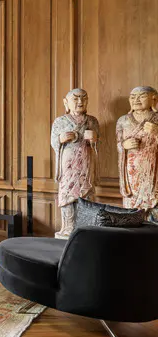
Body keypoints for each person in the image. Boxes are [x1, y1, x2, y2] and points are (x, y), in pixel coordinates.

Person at [50, 88, 100, 236]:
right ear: (66, 102)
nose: (80, 102)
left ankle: (86, 228)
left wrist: (94, 140)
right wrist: (60, 139)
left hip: (86, 162)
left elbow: (97, 145)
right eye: (76, 99)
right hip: (68, 165)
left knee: (86, 192)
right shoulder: (60, 121)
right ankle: (68, 228)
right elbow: (54, 142)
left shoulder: (92, 121)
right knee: (67, 194)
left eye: (84, 99)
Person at [117, 86, 158, 220]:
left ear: (154, 99)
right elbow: (118, 143)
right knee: (132, 209)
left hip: (153, 170)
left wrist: (156, 132)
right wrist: (124, 145)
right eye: (133, 97)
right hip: (131, 171)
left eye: (142, 96)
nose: (136, 100)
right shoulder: (123, 121)